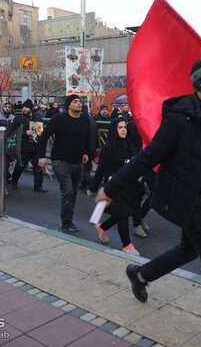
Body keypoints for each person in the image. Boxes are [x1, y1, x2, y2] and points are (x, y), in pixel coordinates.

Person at [95, 59, 201, 347]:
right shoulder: (180, 118)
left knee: (187, 249)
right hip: (185, 196)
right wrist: (111, 186)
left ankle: (141, 275)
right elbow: (149, 156)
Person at [86, 117, 143, 255]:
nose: (123, 129)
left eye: (124, 127)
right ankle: (127, 245)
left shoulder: (130, 144)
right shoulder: (108, 149)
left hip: (130, 186)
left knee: (126, 212)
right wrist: (92, 188)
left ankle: (103, 227)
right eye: (120, 127)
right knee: (122, 214)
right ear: (114, 130)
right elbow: (100, 171)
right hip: (115, 186)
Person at [38, 95, 93, 233]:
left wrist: (86, 153)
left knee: (73, 194)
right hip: (60, 161)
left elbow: (88, 138)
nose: (78, 104)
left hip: (78, 162)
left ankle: (69, 220)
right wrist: (42, 157)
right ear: (68, 105)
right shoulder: (59, 119)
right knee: (67, 192)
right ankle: (65, 224)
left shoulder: (86, 121)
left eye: (80, 102)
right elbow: (44, 136)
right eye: (75, 102)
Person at [10, 99, 46, 192]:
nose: (24, 109)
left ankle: (38, 186)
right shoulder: (18, 118)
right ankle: (14, 180)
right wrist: (25, 132)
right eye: (23, 107)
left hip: (36, 147)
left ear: (31, 108)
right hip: (24, 147)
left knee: (37, 167)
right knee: (20, 166)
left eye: (26, 107)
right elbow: (13, 132)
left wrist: (39, 134)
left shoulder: (37, 118)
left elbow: (41, 133)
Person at [79, 105, 98, 190]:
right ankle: (84, 184)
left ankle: (90, 183)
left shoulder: (82, 121)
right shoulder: (93, 121)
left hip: (84, 147)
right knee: (88, 165)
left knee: (82, 167)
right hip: (92, 147)